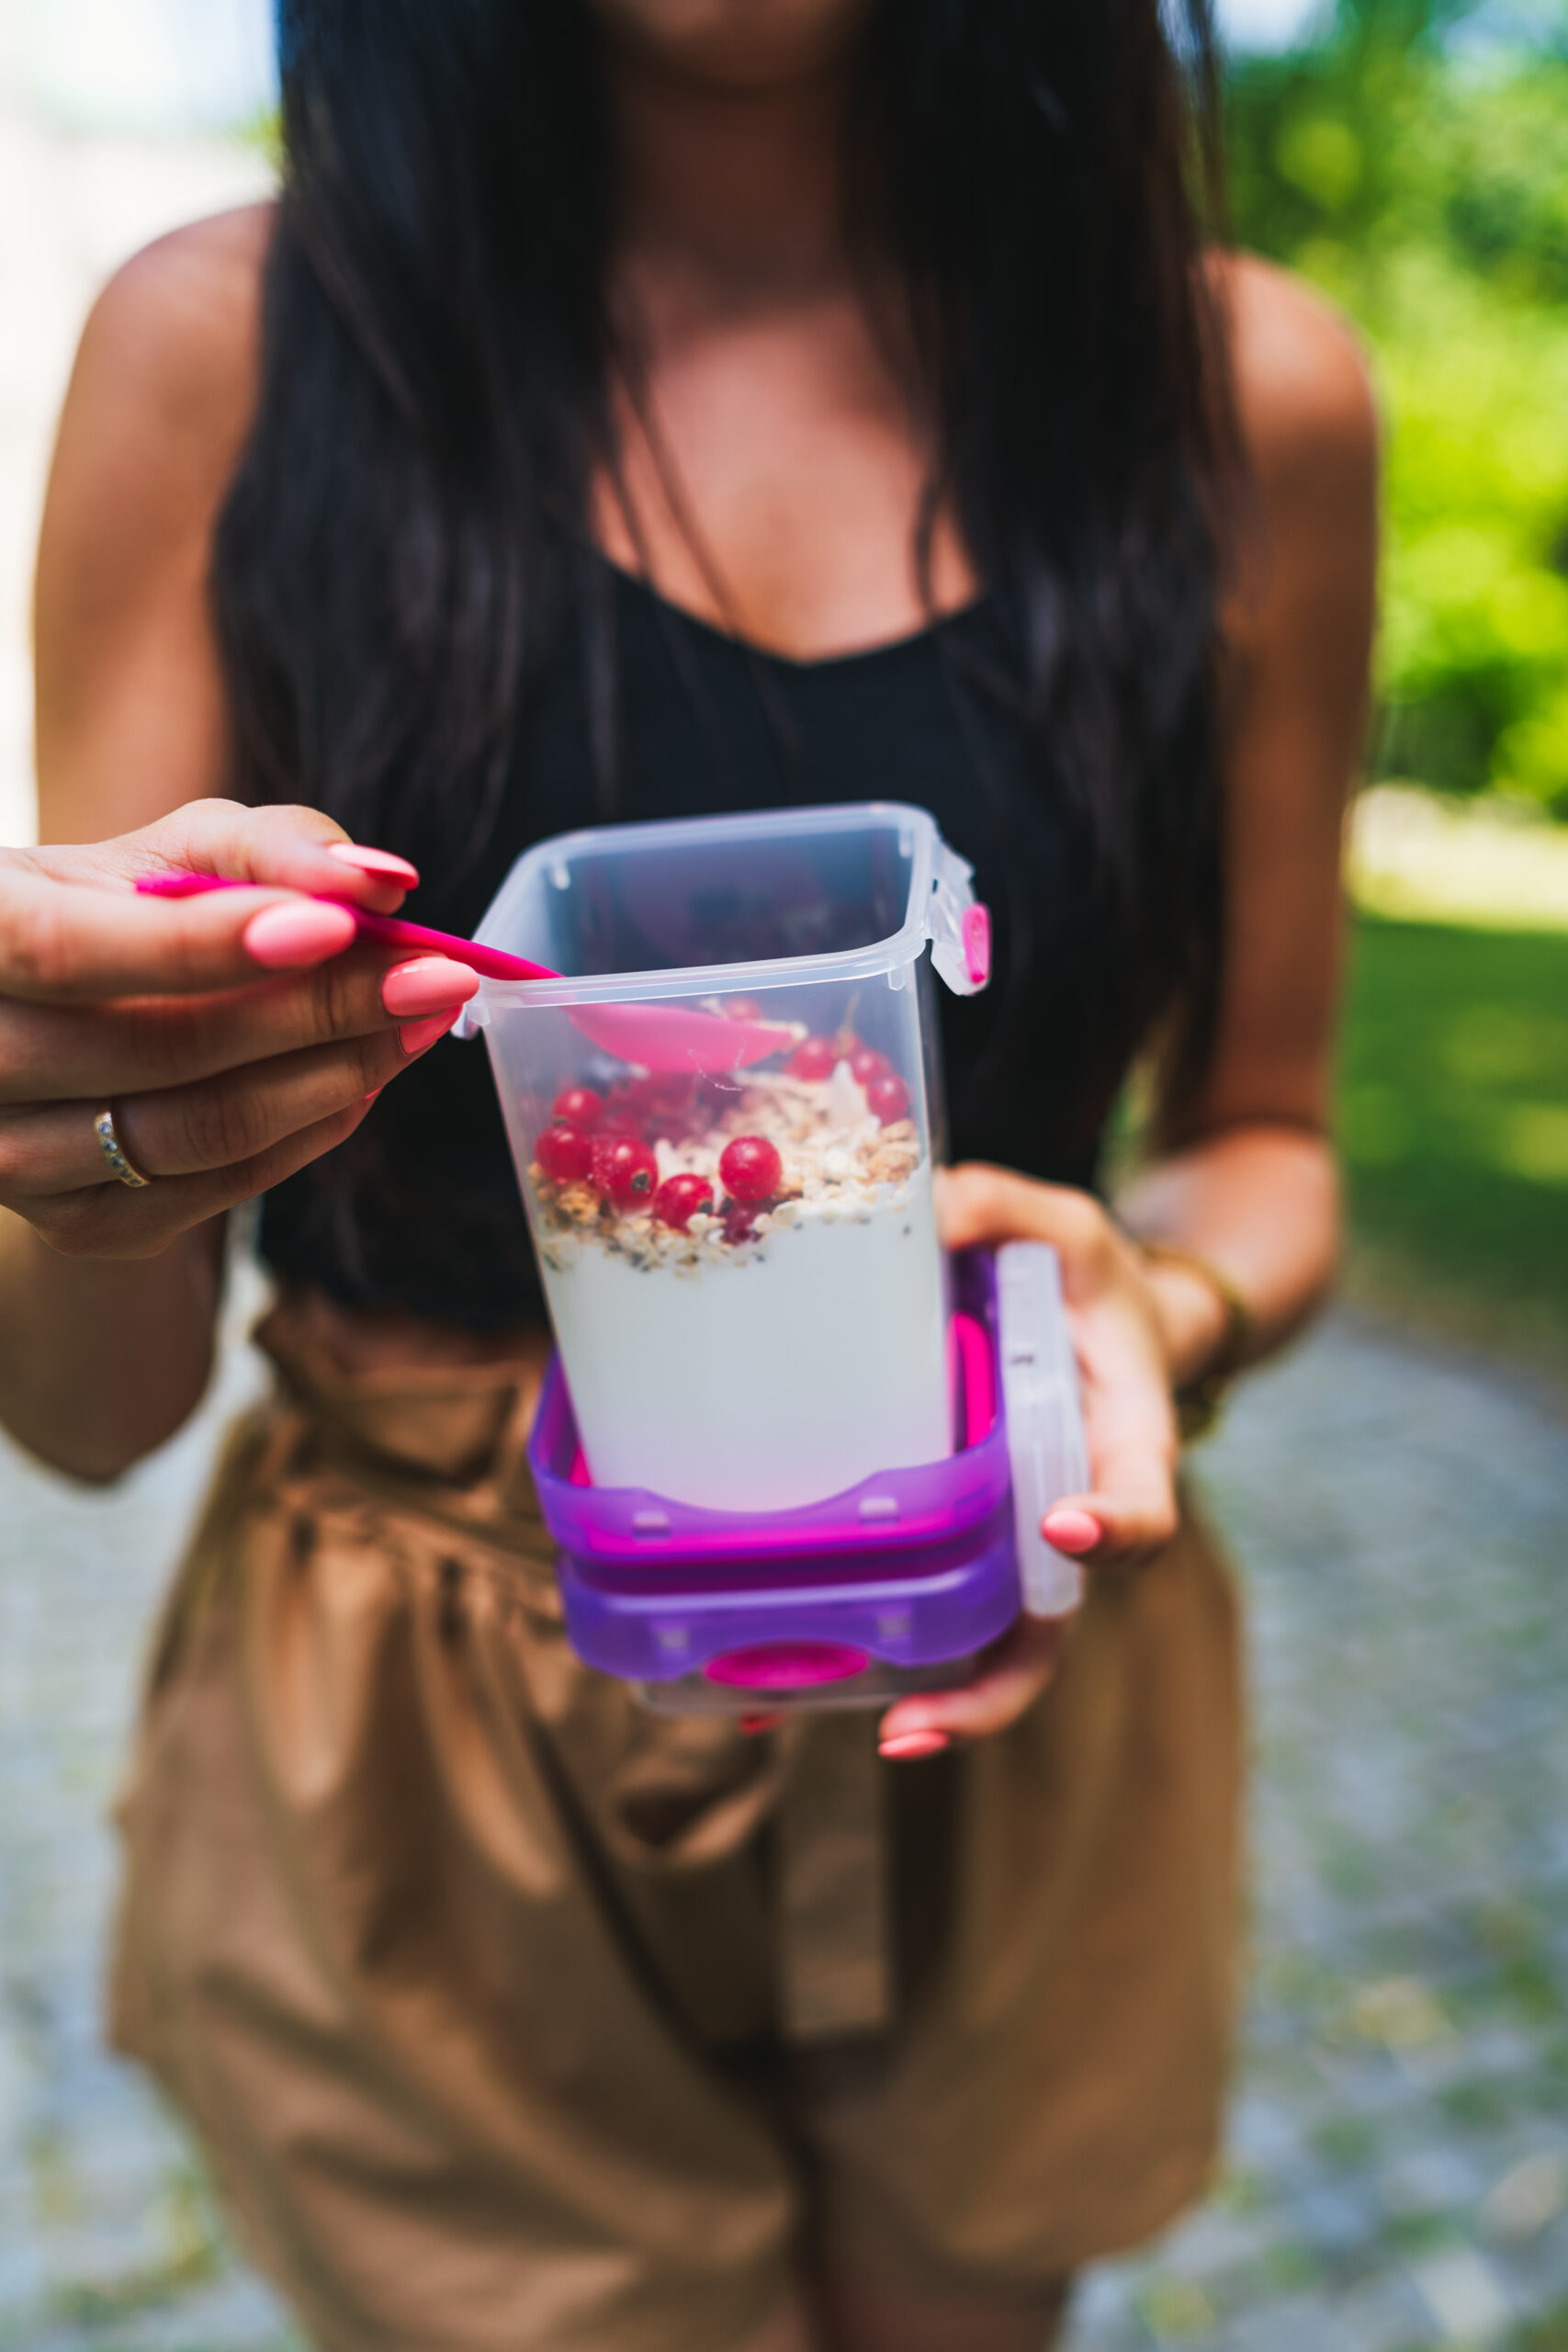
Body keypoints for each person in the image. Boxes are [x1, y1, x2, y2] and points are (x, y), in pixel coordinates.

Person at [0, 1, 1377, 2346]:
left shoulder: (1237, 386)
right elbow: (87, 1406)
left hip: (996, 1630)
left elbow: (1262, 1139)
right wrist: (83, 1161)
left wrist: (1161, 1302)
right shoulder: (221, 349)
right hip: (431, 1745)